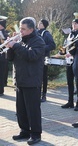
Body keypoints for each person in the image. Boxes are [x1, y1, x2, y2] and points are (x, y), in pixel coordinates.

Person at [6, 17, 45, 145]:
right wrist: (10, 47)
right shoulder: (21, 40)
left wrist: (16, 45)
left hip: (32, 80)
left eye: (23, 29)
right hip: (20, 80)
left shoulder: (38, 41)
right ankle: (24, 131)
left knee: (32, 109)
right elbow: (11, 58)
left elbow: (31, 55)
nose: (20, 31)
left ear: (31, 29)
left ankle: (35, 134)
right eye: (20, 28)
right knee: (21, 109)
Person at [60, 18, 78, 111]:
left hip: (76, 60)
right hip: (68, 60)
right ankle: (70, 101)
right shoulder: (70, 34)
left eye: (76, 24)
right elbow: (66, 44)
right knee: (70, 82)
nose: (73, 25)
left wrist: (72, 52)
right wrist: (62, 51)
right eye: (73, 23)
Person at [37, 19, 56, 102]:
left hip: (44, 58)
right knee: (37, 77)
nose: (38, 24)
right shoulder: (36, 33)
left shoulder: (47, 34)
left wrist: (42, 48)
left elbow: (52, 45)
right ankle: (37, 94)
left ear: (44, 25)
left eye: (40, 23)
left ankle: (44, 95)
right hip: (36, 58)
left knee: (43, 77)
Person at [0, 18, 9, 96]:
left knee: (1, 74)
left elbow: (5, 44)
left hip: (2, 56)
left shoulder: (5, 34)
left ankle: (1, 90)